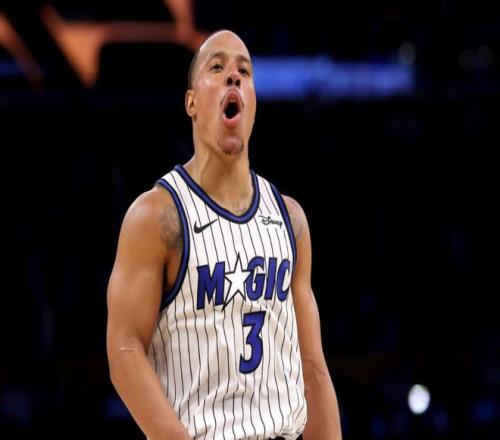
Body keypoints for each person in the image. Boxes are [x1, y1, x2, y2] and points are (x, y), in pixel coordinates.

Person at [106, 29, 342, 440]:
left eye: (244, 71)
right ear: (191, 102)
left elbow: (313, 367)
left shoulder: (290, 220)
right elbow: (124, 348)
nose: (233, 75)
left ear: (253, 104)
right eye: (217, 68)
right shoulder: (157, 217)